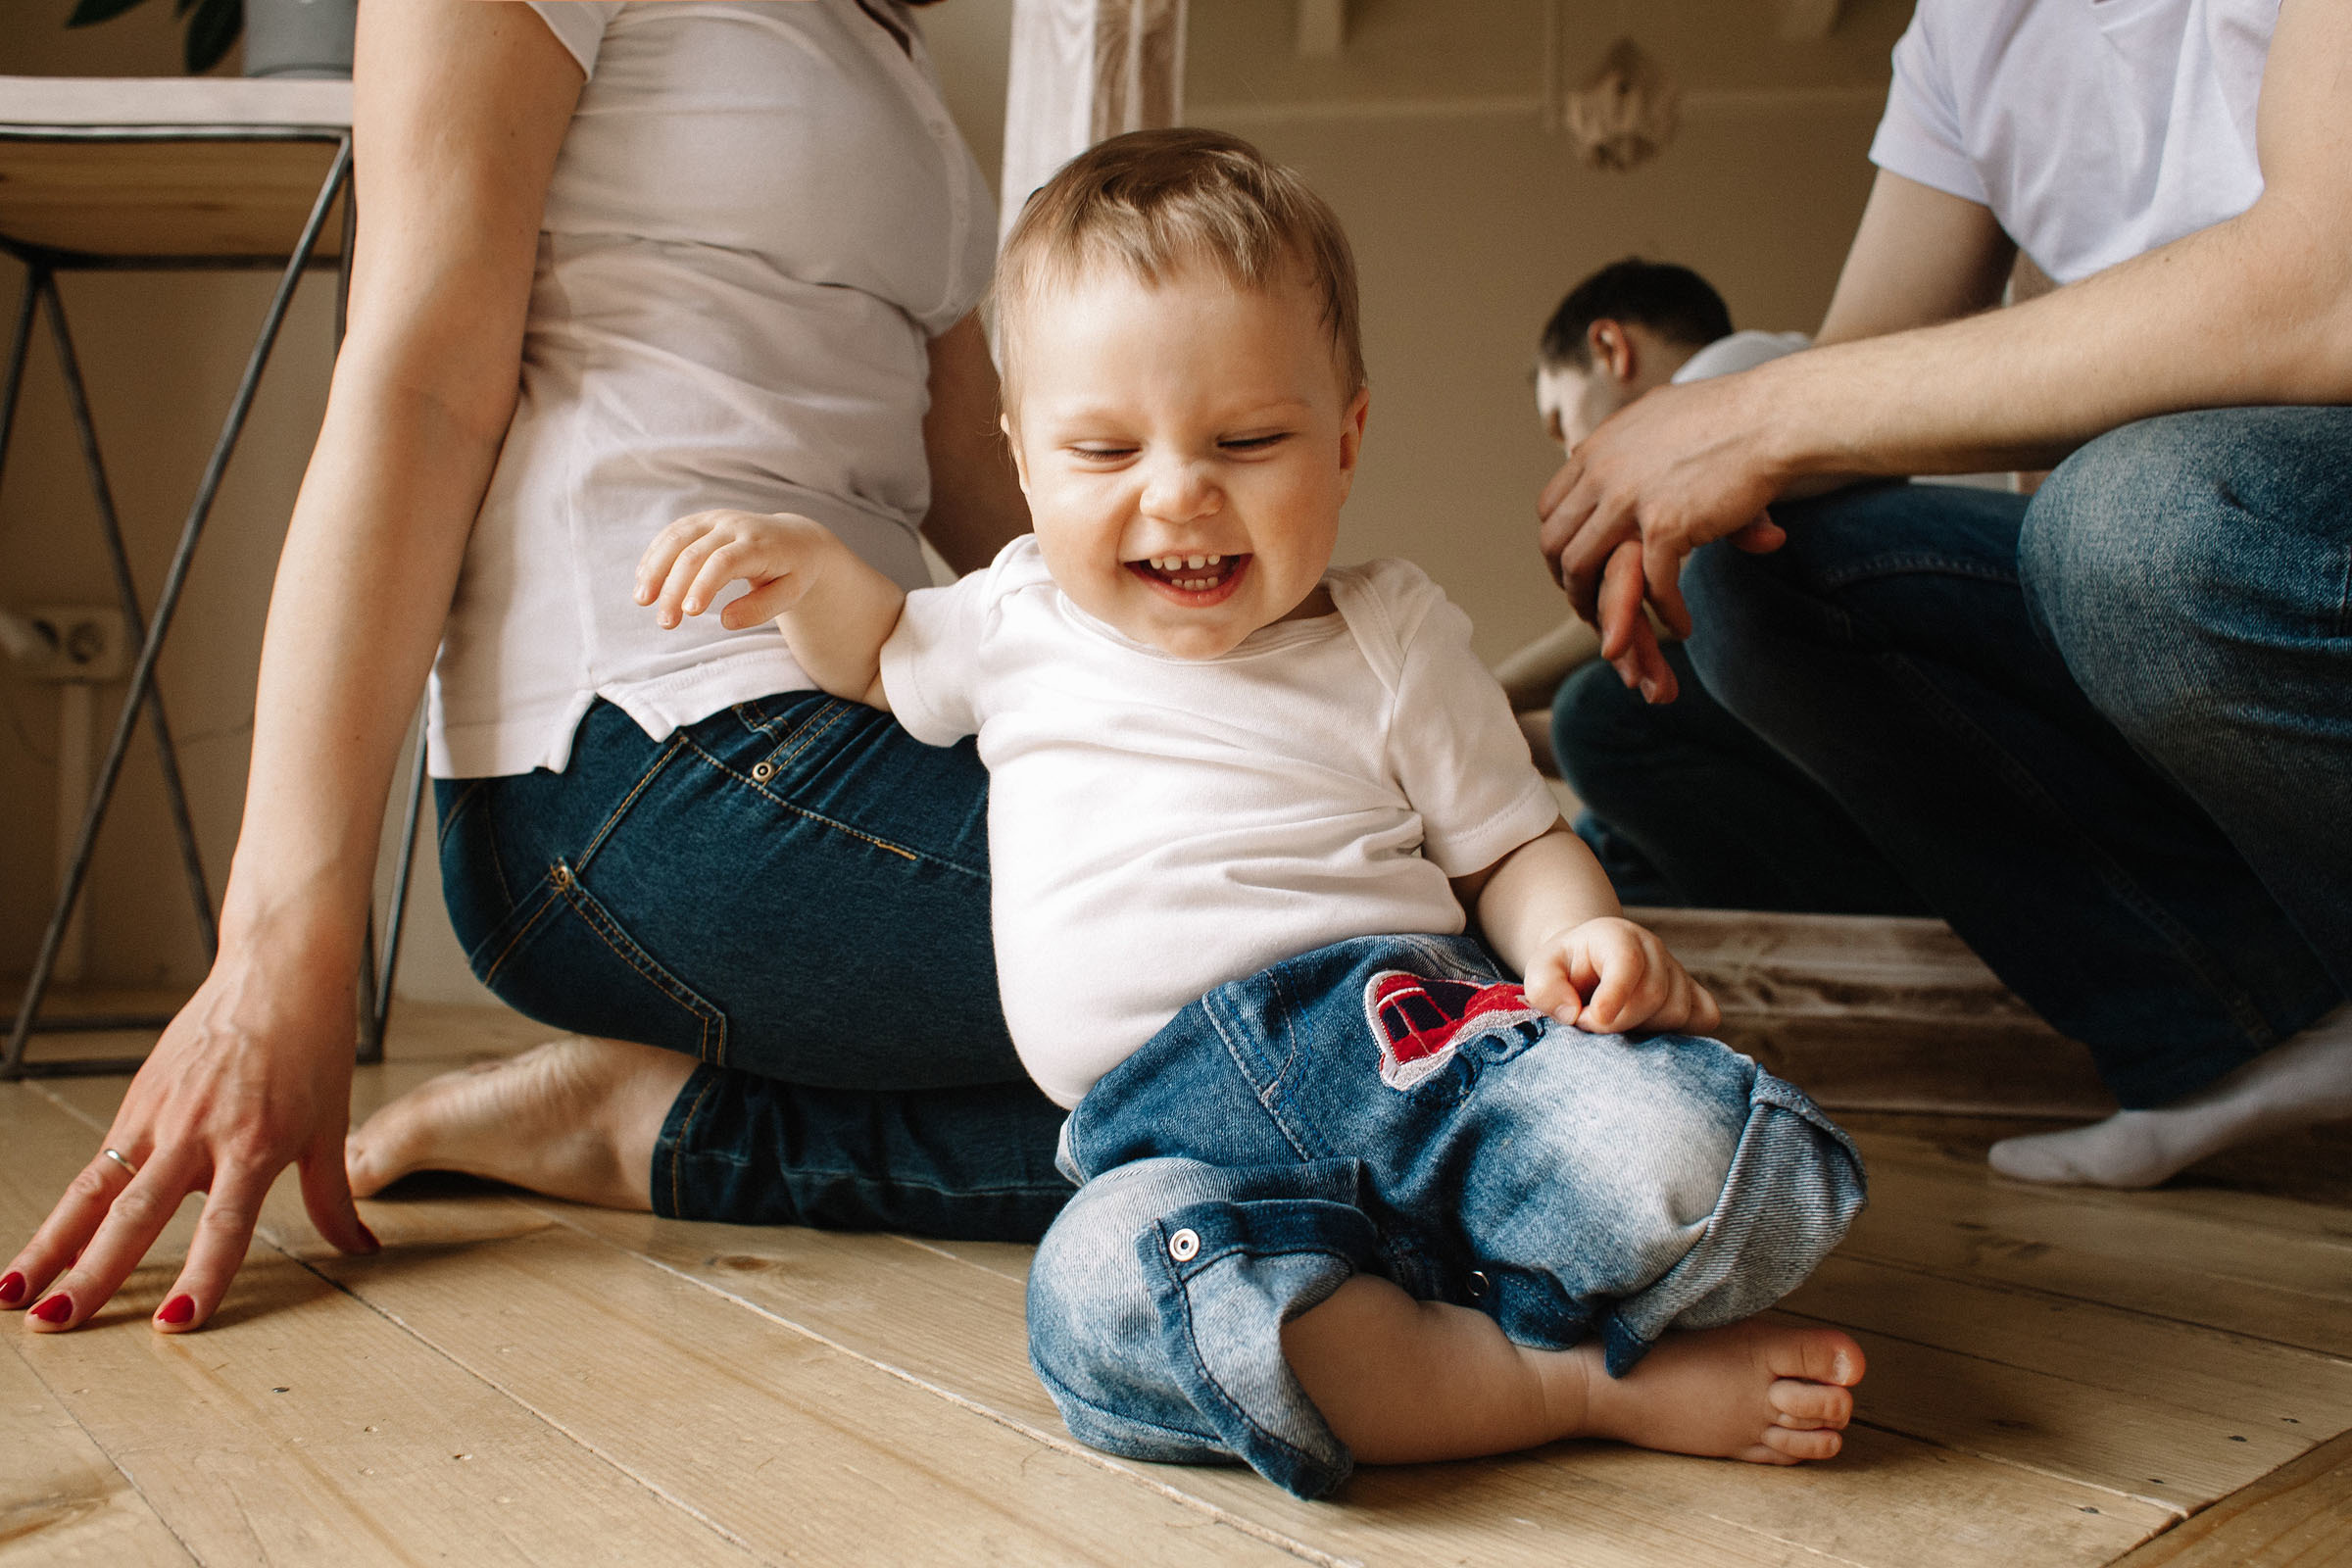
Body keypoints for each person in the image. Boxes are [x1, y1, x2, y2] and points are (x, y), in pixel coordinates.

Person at [636, 129, 1868, 1501]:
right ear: (1025, 462)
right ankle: (1564, 1379)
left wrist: (1581, 935)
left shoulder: (1388, 633)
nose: (1179, 492)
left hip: (1416, 1056)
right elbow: (873, 655)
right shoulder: (1009, 617)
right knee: (1101, 1296)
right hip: (1166, 1145)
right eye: (1104, 448)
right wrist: (806, 573)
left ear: (1344, 441)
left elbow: (1510, 842)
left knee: (1668, 1152)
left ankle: (1514, 1293)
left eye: (1248, 439)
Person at [4, 0, 1075, 1338]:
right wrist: (279, 942)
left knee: (1362, 1036)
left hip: (861, 708)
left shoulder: (879, 38)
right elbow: (419, 380)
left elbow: (994, 492)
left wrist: (1281, 720)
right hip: (648, 759)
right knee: (1371, 1013)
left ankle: (667, 1130)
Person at [1535, 0, 2352, 1188]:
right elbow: (1864, 379)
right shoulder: (1967, 31)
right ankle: (2237, 1026)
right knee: (1741, 589)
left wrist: (1758, 415)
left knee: (2132, 523)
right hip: (2159, 565)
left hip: (2236, 519)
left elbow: (2320, 293)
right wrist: (1673, 487)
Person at [1502, 260, 1919, 913]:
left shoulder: (1737, 374)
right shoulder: (1764, 381)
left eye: (1562, 422)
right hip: (1837, 731)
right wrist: (1485, 730)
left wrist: (1486, 689)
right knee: (1606, 842)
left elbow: (1668, 608)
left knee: (1595, 715)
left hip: (1886, 737)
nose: (1569, 453)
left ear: (1611, 348)